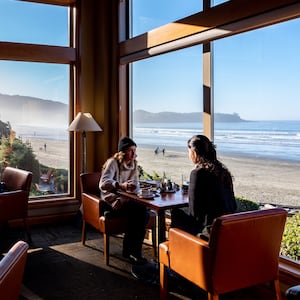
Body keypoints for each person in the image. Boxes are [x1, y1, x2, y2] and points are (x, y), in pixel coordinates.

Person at [171, 134, 237, 238]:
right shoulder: (223, 172)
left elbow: (194, 213)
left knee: (176, 213)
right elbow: (233, 205)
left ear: (194, 153)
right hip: (226, 228)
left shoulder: (197, 173)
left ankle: (178, 250)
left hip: (208, 231)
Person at [99, 136, 149, 264]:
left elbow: (135, 184)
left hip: (126, 200)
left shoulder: (133, 165)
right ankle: (133, 251)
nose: (134, 154)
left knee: (143, 211)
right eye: (131, 150)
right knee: (141, 212)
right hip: (110, 201)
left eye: (135, 150)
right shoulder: (113, 163)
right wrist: (120, 185)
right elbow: (103, 183)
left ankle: (131, 250)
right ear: (123, 152)